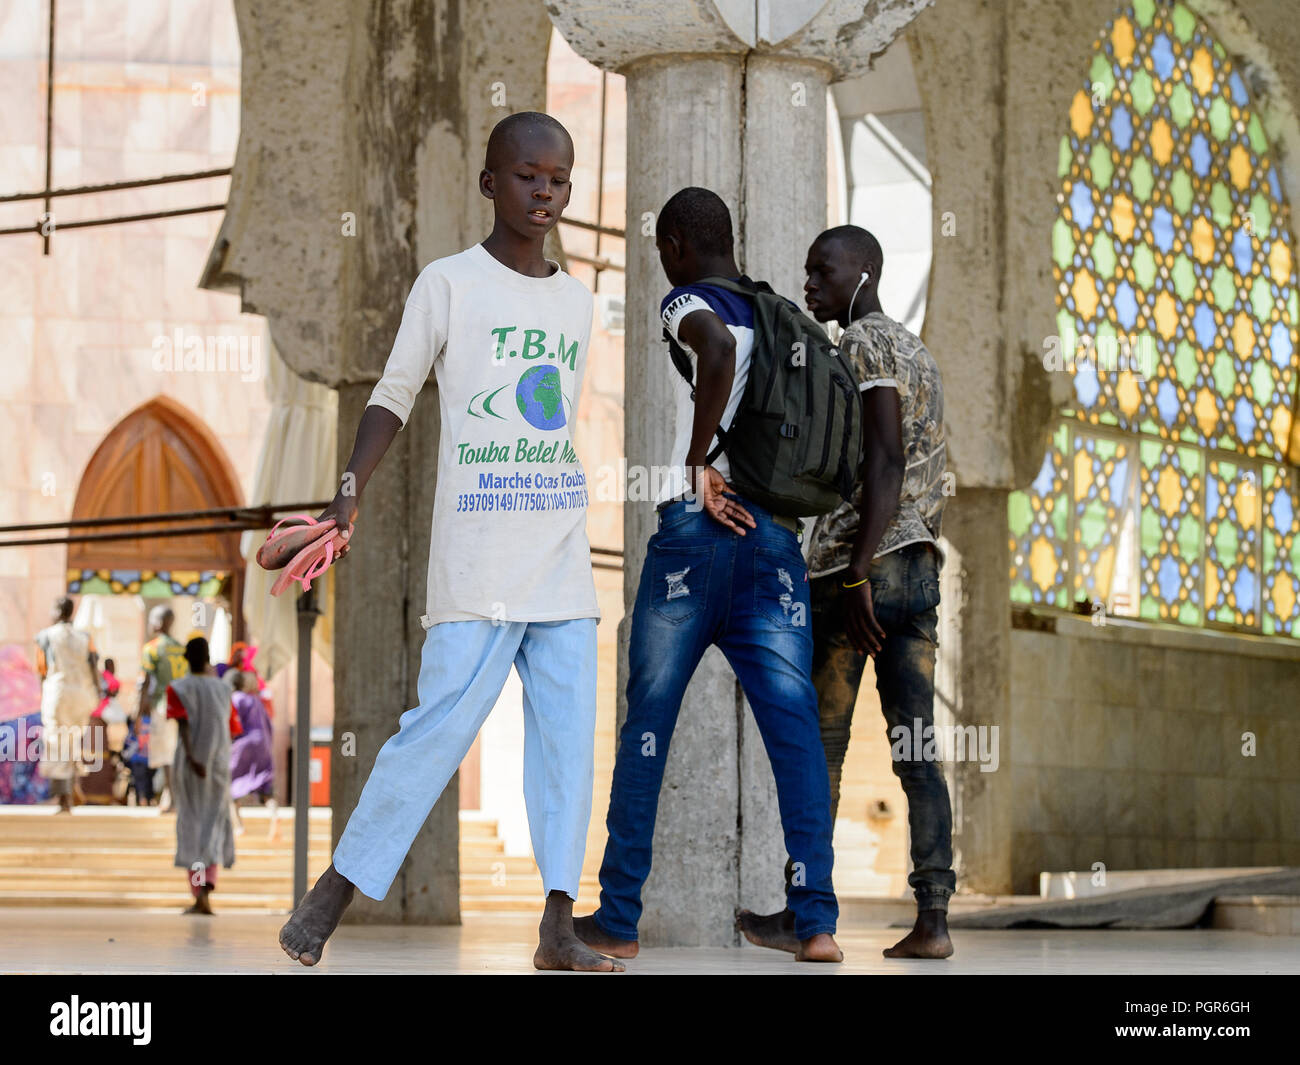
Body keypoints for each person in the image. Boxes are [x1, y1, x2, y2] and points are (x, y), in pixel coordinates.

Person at [278, 112, 618, 972]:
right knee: (431, 731)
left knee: (567, 748)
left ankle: (555, 925)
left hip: (561, 556)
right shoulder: (449, 284)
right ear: (490, 184)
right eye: (528, 176)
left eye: (559, 179)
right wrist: (345, 499)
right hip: (476, 557)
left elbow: (555, 424)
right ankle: (333, 892)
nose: (546, 192)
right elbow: (392, 395)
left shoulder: (577, 303)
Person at [573, 187, 842, 963]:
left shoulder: (684, 298)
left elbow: (714, 351)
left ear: (673, 247)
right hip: (775, 545)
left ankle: (618, 918)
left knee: (647, 724)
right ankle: (816, 920)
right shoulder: (777, 310)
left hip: (698, 540)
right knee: (794, 737)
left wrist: (697, 465)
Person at [737, 224, 954, 959]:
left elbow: (886, 457)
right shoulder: (917, 348)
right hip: (918, 568)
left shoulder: (862, 344)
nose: (809, 283)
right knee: (916, 749)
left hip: (854, 573)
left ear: (864, 270)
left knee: (819, 748)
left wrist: (858, 567)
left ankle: (808, 919)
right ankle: (933, 920)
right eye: (805, 271)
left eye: (822, 269)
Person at [166, 637, 243, 915]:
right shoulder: (223, 689)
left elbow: (184, 728)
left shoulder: (178, 688)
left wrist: (194, 757)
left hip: (190, 766)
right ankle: (205, 893)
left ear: (187, 658)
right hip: (218, 766)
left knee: (192, 826)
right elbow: (232, 728)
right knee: (213, 824)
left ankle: (198, 894)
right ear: (208, 658)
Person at [34, 597, 99, 812]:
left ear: (56, 611)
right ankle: (70, 792)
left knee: (56, 743)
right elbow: (93, 665)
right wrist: (95, 694)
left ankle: (63, 798)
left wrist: (44, 693)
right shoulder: (85, 637)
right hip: (83, 694)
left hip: (58, 693)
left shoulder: (45, 636)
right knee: (73, 742)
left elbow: (42, 670)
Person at [139, 606, 188, 811]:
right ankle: (171, 796)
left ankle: (173, 798)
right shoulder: (181, 647)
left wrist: (140, 710)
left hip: (163, 705)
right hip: (182, 705)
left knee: (166, 754)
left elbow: (147, 682)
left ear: (158, 623)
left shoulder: (152, 648)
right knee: (176, 751)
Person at [228, 671, 276, 835]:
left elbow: (233, 724)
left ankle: (238, 826)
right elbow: (269, 725)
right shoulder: (257, 701)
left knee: (231, 786)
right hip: (264, 743)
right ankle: (274, 817)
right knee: (266, 788)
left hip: (245, 744)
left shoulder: (237, 699)